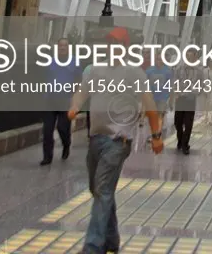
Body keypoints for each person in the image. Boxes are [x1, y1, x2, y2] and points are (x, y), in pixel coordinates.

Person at [67, 27, 163, 254]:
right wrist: (75, 106)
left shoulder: (134, 73)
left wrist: (156, 135)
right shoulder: (94, 69)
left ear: (124, 48)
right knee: (99, 190)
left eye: (117, 44)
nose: (112, 47)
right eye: (109, 43)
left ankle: (93, 246)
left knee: (101, 189)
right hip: (96, 138)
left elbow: (149, 105)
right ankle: (111, 239)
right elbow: (82, 91)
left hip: (118, 141)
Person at [40, 36, 79, 165]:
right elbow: (44, 78)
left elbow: (79, 80)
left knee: (63, 128)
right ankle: (47, 157)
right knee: (47, 130)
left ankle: (66, 144)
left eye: (65, 45)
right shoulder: (50, 62)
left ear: (69, 48)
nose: (62, 48)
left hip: (65, 100)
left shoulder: (74, 62)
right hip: (50, 99)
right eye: (60, 45)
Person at [145, 52, 172, 132]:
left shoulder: (167, 71)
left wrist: (170, 98)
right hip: (152, 97)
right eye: (157, 59)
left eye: (160, 59)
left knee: (160, 115)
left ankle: (158, 132)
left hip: (162, 98)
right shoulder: (149, 71)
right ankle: (153, 131)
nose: (158, 61)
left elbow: (170, 85)